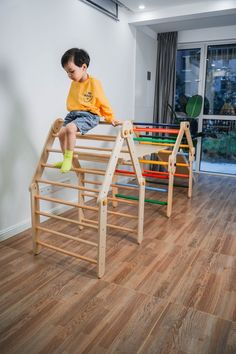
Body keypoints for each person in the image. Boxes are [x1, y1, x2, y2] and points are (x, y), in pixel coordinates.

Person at [55, 48, 120, 173]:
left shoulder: (94, 83)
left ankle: (68, 159)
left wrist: (110, 117)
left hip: (89, 115)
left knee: (70, 129)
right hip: (73, 114)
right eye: (67, 73)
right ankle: (65, 159)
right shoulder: (74, 83)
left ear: (83, 67)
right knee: (61, 133)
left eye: (71, 71)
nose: (69, 75)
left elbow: (103, 101)